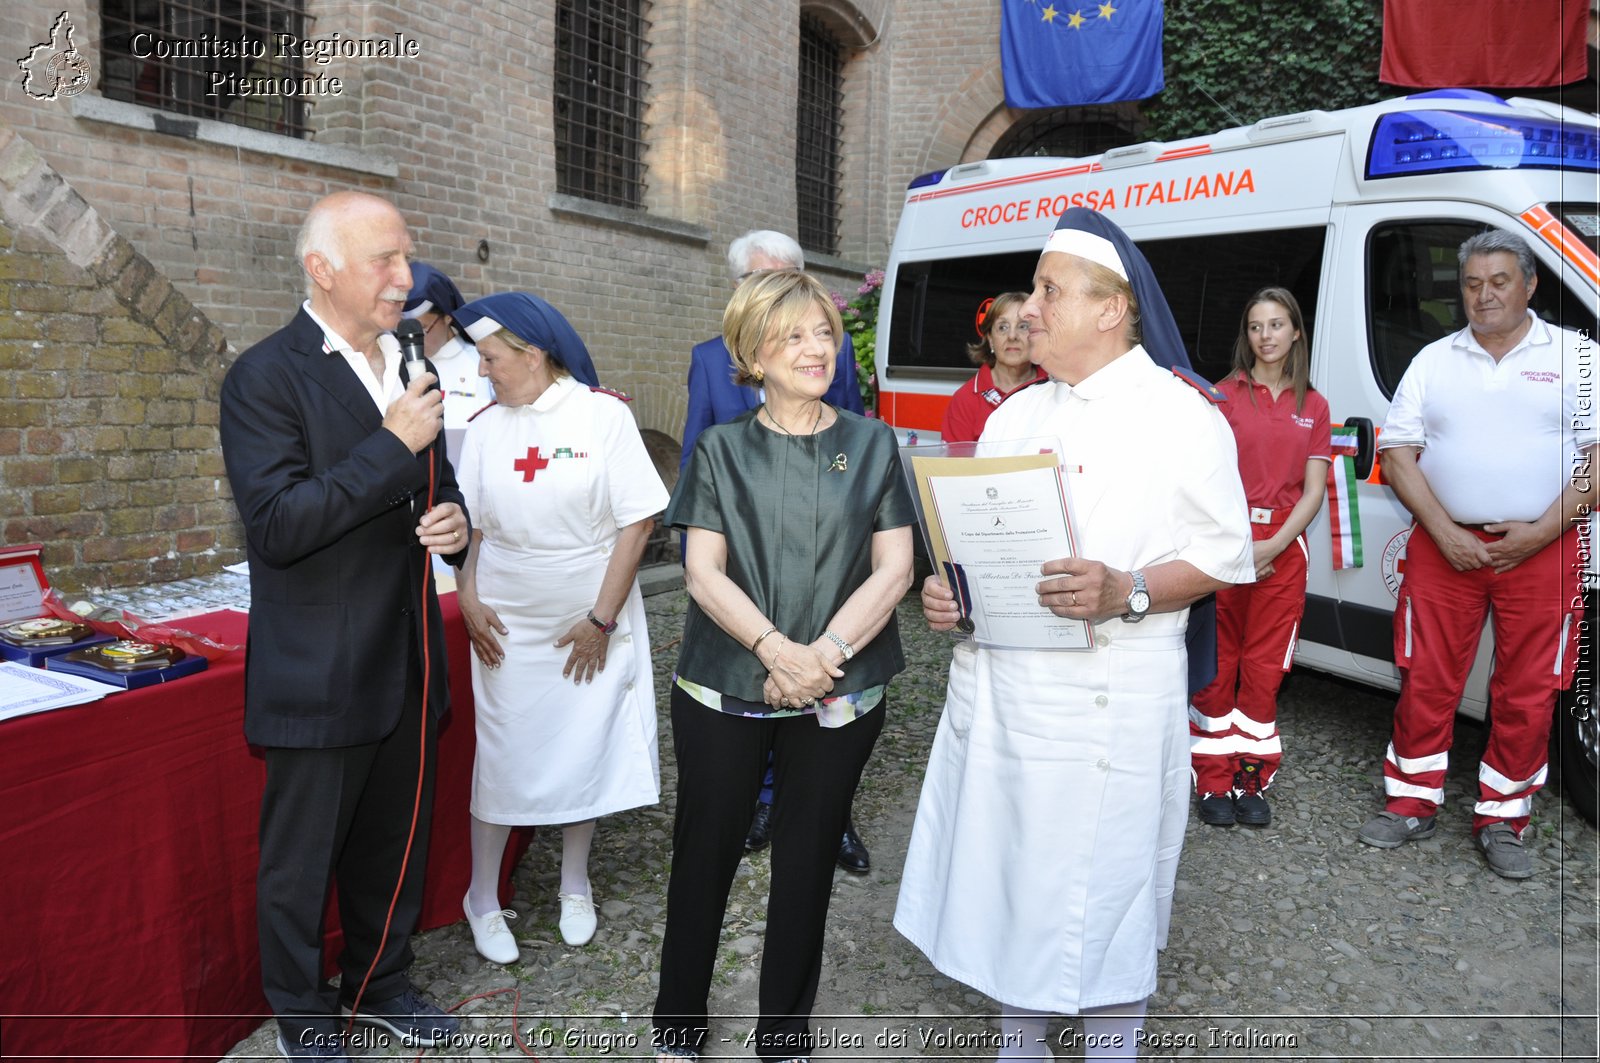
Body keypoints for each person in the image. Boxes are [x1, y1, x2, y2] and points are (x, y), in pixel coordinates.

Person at [895, 208, 1254, 1061]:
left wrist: (1126, 589)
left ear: (1110, 308)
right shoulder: (1014, 417)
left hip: (1110, 700)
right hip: (1008, 695)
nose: (1028, 309)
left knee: (1108, 894)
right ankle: (1018, 1046)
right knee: (1014, 877)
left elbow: (1227, 557)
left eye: (1049, 290)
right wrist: (950, 595)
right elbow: (976, 553)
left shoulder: (1182, 414)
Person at [219, 191, 468, 1062]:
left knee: (391, 843)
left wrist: (454, 520)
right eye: (384, 262)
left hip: (408, 658)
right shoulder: (264, 376)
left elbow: (436, 478)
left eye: (406, 257)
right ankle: (301, 1013)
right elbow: (280, 524)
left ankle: (381, 982)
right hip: (317, 671)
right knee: (301, 863)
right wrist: (392, 446)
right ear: (320, 269)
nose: (406, 278)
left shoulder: (408, 359)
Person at [652, 269, 915, 1062]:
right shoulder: (722, 449)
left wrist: (822, 658)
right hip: (724, 687)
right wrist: (775, 650)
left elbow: (895, 568)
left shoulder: (873, 444)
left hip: (839, 693)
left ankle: (784, 1036)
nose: (815, 349)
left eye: (824, 333)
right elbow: (702, 572)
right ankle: (678, 1024)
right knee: (705, 854)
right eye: (793, 335)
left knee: (807, 863)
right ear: (753, 353)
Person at [1357, 229, 1595, 879]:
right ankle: (1411, 800)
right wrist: (1441, 527)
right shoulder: (1434, 359)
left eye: (1498, 281)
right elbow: (1397, 452)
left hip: (1543, 548)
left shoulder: (1577, 355)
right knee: (1427, 676)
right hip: (1444, 544)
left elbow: (1597, 462)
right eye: (1471, 284)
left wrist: (1542, 529)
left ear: (1530, 284)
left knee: (1528, 689)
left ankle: (1504, 817)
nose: (1484, 295)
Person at [449, 292, 667, 960]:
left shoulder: (602, 416)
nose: (483, 371)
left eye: (490, 358)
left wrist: (602, 617)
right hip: (508, 619)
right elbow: (471, 526)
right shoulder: (485, 428)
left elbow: (638, 521)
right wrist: (468, 596)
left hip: (588, 613)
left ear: (533, 353)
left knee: (583, 742)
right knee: (504, 750)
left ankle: (575, 882)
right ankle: (481, 895)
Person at [679, 229, 872, 873]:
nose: (807, 339)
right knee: (750, 696)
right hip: (744, 558)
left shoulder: (829, 358)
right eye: (764, 281)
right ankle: (761, 801)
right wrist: (703, 557)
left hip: (826, 554)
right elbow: (697, 451)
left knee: (830, 712)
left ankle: (830, 818)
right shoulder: (710, 360)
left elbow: (851, 439)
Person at [1189, 288, 1330, 828]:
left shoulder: (1313, 405)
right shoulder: (1222, 395)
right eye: (1255, 326)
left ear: (1295, 331)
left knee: (1265, 671)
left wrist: (1271, 546)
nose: (1265, 336)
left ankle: (1252, 775)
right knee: (1218, 667)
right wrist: (1241, 547)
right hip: (1225, 548)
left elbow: (1313, 492)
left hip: (1282, 552)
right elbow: (1207, 481)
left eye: (1276, 325)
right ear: (1246, 336)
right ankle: (1212, 778)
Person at [401, 263, 492, 462]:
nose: (415, 341)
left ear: (448, 317)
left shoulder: (481, 364)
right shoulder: (397, 366)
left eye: (423, 329)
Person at [940, 291, 1047, 443]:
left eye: (1023, 326)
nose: (1012, 336)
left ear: (1035, 334)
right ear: (990, 339)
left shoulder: (1055, 388)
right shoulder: (965, 400)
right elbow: (954, 465)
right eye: (1003, 327)